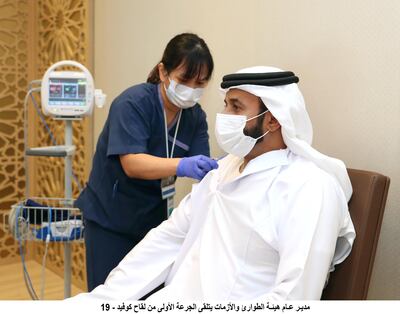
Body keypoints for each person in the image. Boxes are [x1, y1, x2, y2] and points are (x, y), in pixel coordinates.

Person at [72, 66, 355, 300]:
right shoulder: (223, 170)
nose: (224, 116)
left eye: (236, 107)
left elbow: (295, 295)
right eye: (226, 104)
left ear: (271, 120)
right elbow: (168, 239)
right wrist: (104, 299)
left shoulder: (309, 187)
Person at [75, 33, 218, 291]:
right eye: (185, 80)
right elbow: (132, 163)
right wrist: (181, 165)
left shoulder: (195, 118)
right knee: (108, 296)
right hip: (111, 220)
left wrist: (223, 168)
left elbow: (203, 168)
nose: (192, 90)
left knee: (147, 295)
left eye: (200, 83)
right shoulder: (133, 104)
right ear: (164, 72)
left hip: (153, 223)